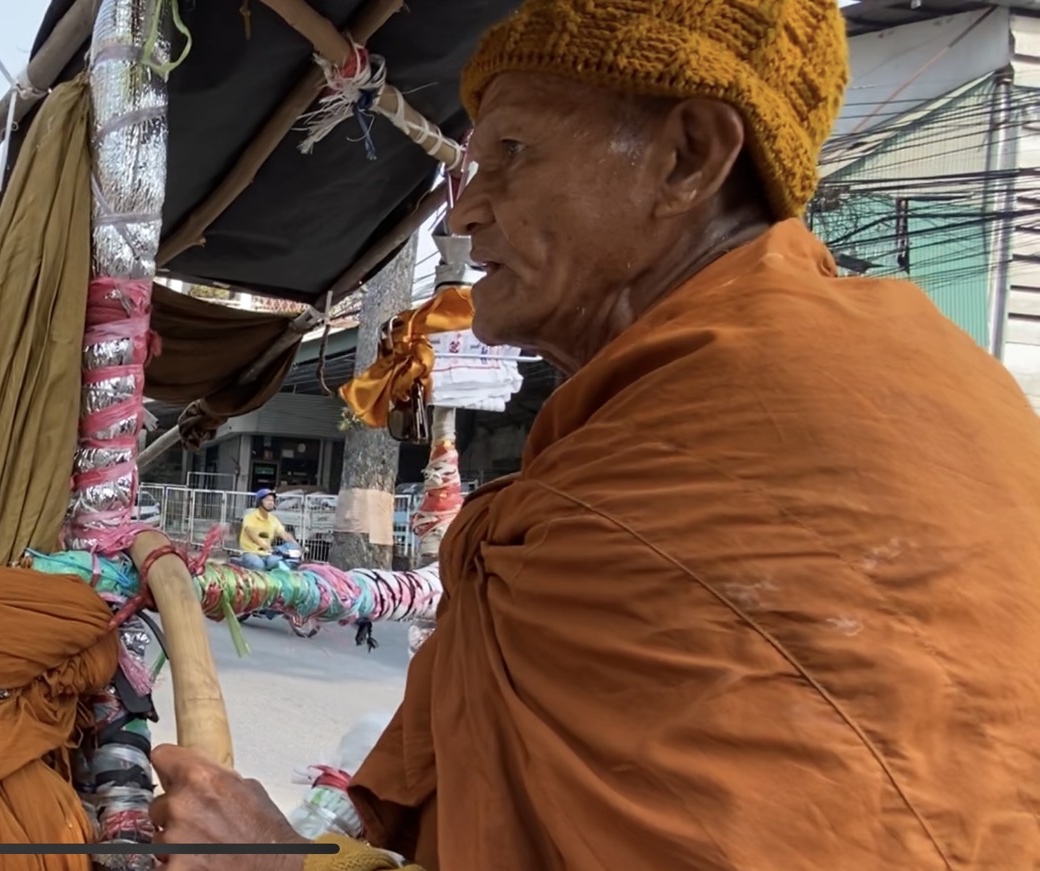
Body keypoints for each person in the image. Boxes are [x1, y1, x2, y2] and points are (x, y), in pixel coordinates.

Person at [146, 1, 1040, 869]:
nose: (464, 212)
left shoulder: (723, 449)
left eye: (513, 152)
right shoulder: (891, 370)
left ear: (687, 159)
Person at [234, 488, 294, 571]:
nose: (271, 502)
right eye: (267, 500)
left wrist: (296, 545)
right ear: (259, 502)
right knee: (259, 566)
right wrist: (266, 546)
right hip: (250, 553)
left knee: (281, 565)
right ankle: (241, 564)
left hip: (267, 554)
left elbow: (283, 533)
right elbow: (253, 534)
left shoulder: (273, 520)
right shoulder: (250, 518)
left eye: (272, 500)